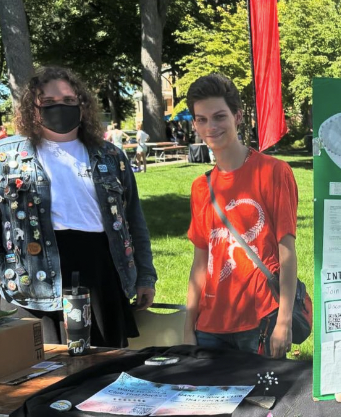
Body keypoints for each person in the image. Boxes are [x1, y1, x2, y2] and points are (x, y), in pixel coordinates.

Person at [0, 65, 157, 347]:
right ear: (32, 108)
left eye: (69, 101)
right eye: (48, 102)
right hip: (34, 281)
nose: (59, 108)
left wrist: (145, 276)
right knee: (45, 374)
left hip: (102, 272)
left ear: (82, 105)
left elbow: (134, 220)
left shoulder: (111, 156)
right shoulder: (7, 158)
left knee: (104, 369)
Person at [183, 73, 298, 359]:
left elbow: (287, 253)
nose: (211, 127)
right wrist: (187, 327)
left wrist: (284, 320)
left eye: (219, 116)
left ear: (237, 116)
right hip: (210, 326)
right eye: (202, 119)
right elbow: (200, 262)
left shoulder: (273, 172)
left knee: (263, 403)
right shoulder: (201, 187)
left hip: (259, 319)